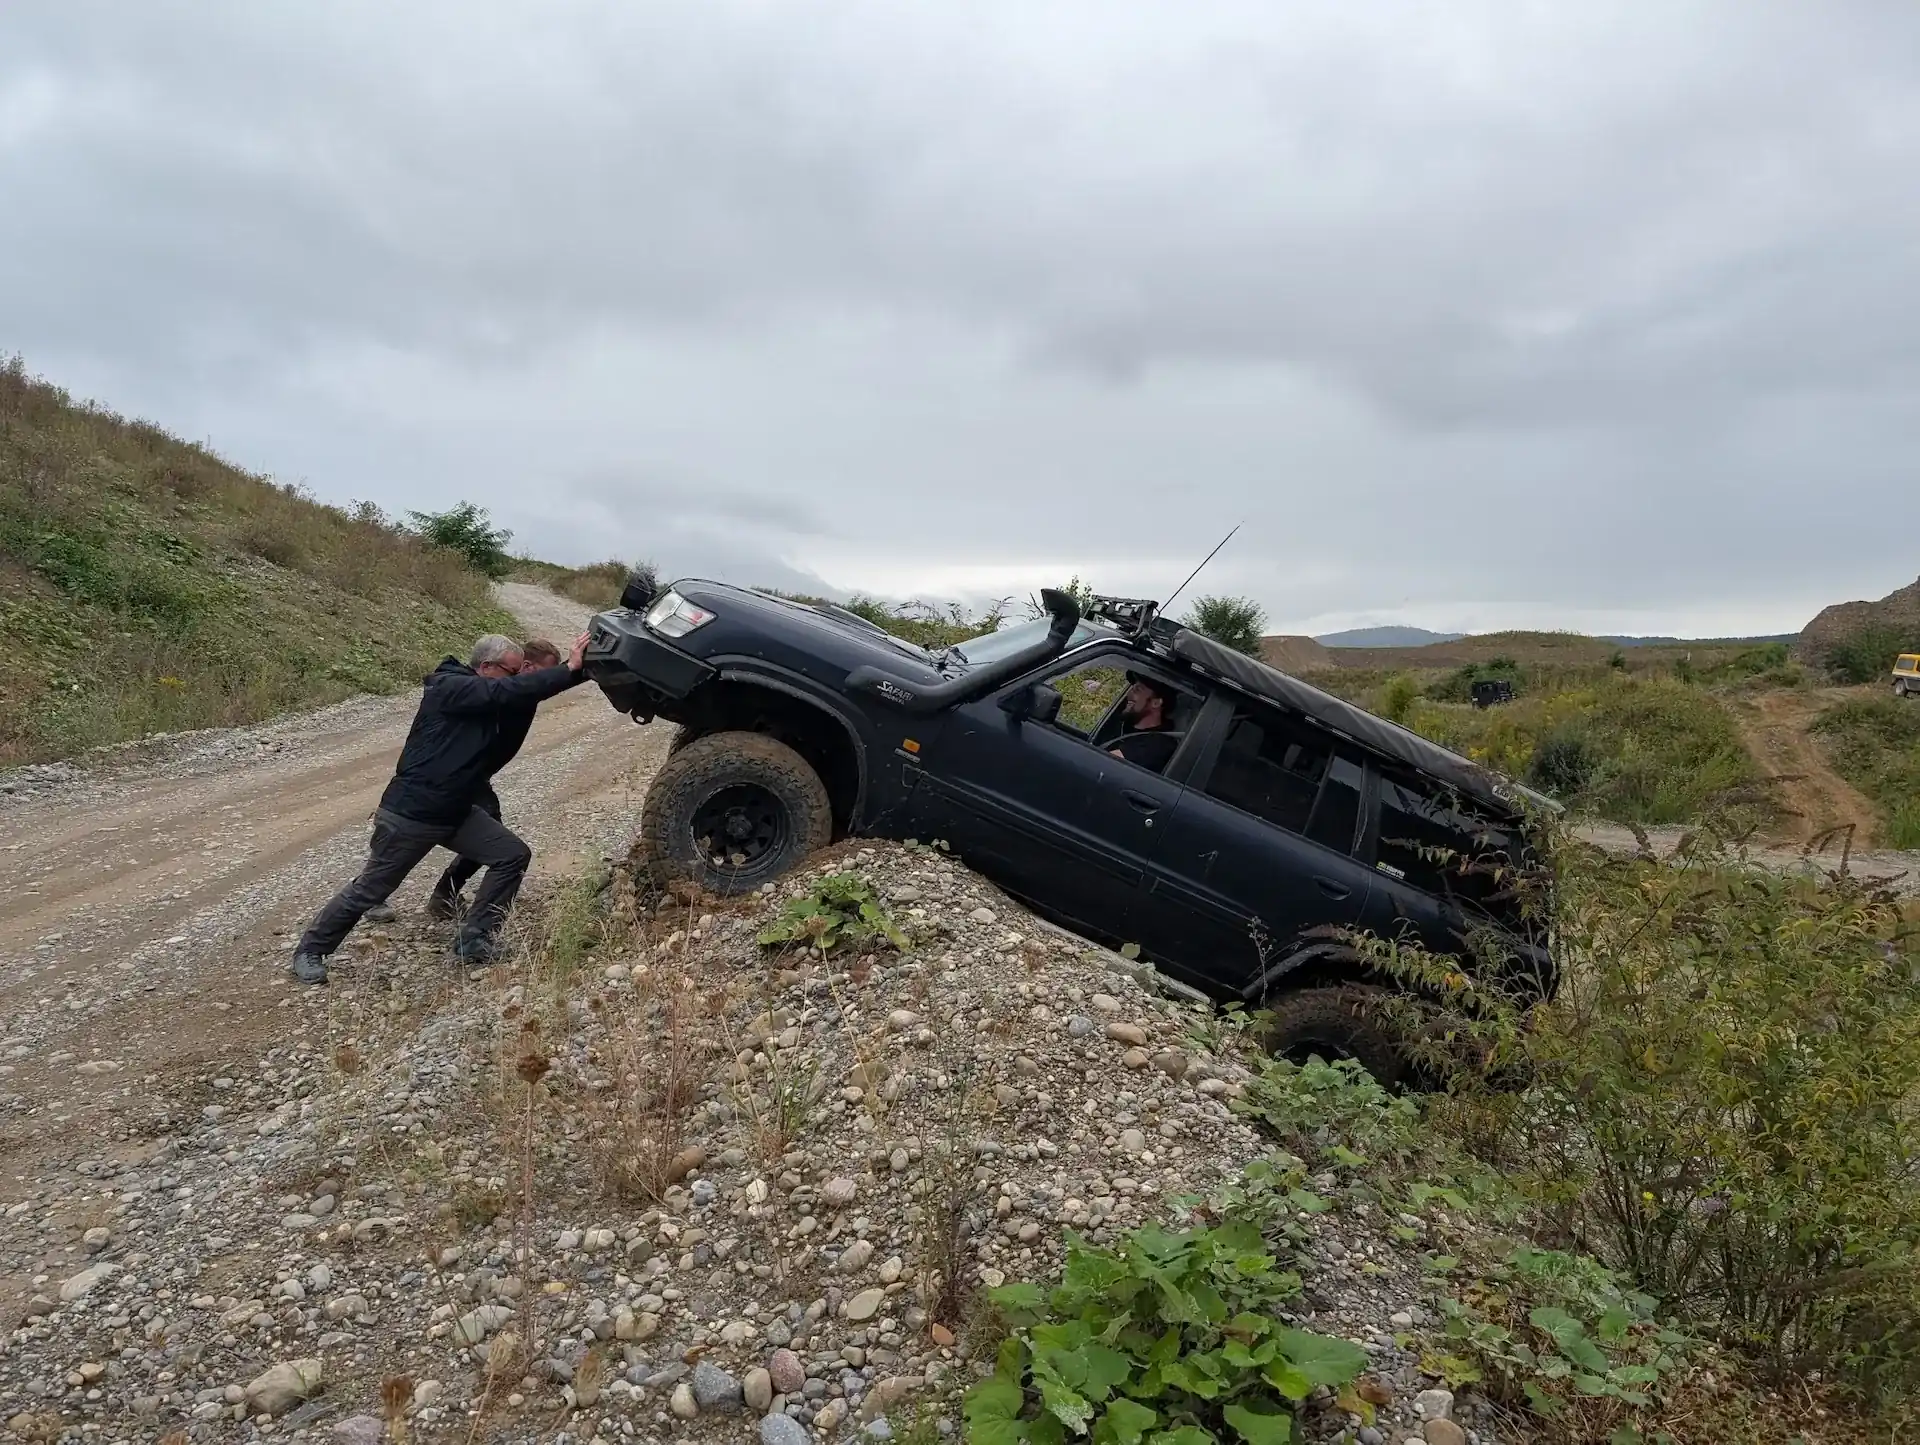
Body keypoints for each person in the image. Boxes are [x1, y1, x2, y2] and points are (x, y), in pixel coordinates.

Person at [288, 631, 589, 984]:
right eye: (512, 671)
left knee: (511, 855)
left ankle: (474, 939)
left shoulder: (487, 693)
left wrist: (584, 671)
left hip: (456, 810)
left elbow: (516, 694)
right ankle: (310, 949)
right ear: (487, 666)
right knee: (371, 890)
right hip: (412, 813)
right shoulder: (451, 688)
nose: (518, 677)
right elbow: (506, 692)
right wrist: (567, 668)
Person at [424, 636, 561, 922]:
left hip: (475, 776)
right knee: (420, 833)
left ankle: (441, 894)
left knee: (420, 834)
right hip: (456, 775)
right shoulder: (497, 691)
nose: (548, 680)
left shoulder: (521, 691)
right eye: (545, 671)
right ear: (525, 666)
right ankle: (443, 897)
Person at [1107, 674, 1181, 772]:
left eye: (1137, 690)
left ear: (1156, 703)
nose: (1129, 694)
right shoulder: (1124, 725)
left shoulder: (1158, 745)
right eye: (1132, 688)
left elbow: (1107, 763)